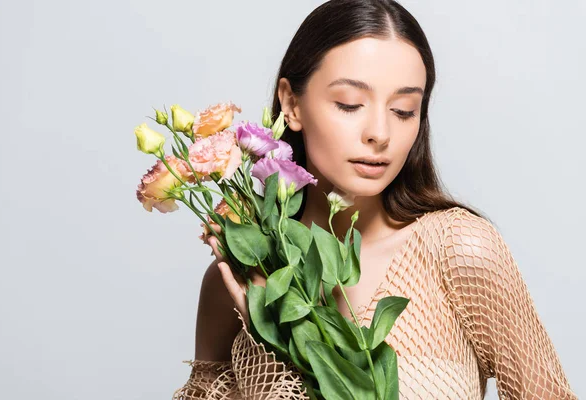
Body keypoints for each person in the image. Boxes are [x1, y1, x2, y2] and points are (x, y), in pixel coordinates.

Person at [172, 0, 577, 398]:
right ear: (291, 104)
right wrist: (274, 338)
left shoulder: (460, 250)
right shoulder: (237, 279)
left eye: (404, 110)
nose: (380, 132)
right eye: (350, 104)